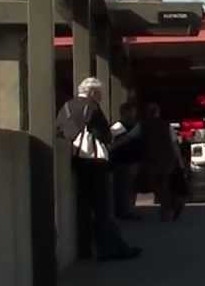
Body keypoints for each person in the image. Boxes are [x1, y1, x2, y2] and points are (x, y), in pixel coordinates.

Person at [55, 77, 141, 261]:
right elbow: (106, 135)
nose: (101, 97)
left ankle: (85, 250)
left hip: (76, 161)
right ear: (93, 92)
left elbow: (59, 131)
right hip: (94, 163)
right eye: (99, 93)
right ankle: (112, 249)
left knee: (83, 207)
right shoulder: (92, 107)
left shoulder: (66, 107)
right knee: (102, 208)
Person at [139, 103, 187, 221]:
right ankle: (172, 206)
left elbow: (129, 138)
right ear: (158, 113)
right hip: (167, 161)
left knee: (158, 188)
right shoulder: (167, 126)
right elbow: (174, 146)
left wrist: (113, 146)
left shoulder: (142, 126)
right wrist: (180, 163)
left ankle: (166, 210)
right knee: (165, 185)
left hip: (151, 161)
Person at [110, 101, 144, 220]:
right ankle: (125, 211)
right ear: (124, 112)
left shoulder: (135, 126)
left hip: (133, 161)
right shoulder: (118, 127)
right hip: (123, 161)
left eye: (133, 111)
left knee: (130, 187)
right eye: (130, 111)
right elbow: (113, 144)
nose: (133, 114)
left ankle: (128, 209)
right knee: (124, 187)